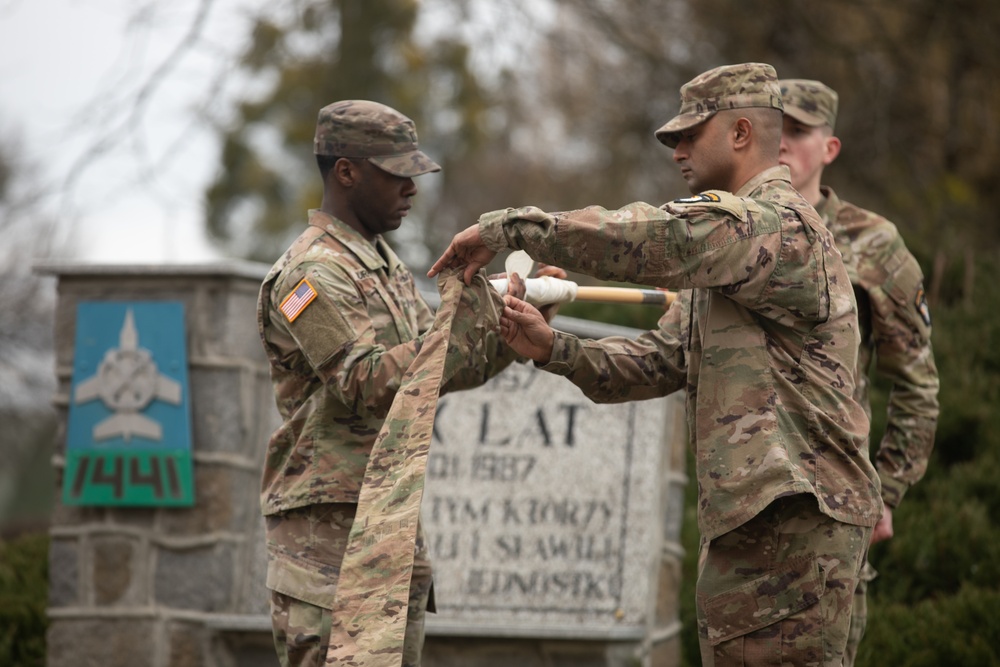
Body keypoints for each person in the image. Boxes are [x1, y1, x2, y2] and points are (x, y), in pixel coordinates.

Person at [430, 63, 883, 666]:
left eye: (690, 135)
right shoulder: (733, 255)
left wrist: (513, 229)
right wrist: (552, 348)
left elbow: (656, 241)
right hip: (758, 527)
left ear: (742, 133)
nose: (677, 151)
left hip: (793, 529)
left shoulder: (773, 224)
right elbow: (658, 361)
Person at [256, 100, 560, 667]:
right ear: (346, 171)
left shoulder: (383, 265)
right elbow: (364, 380)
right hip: (330, 543)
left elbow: (439, 372)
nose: (412, 187)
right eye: (397, 172)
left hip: (385, 527)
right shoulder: (311, 274)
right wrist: (468, 316)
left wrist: (515, 320)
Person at [778, 78, 940, 665]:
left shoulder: (874, 244)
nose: (781, 145)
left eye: (797, 132)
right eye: (772, 129)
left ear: (830, 148)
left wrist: (888, 491)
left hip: (831, 517)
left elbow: (917, 383)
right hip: (741, 523)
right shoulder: (728, 234)